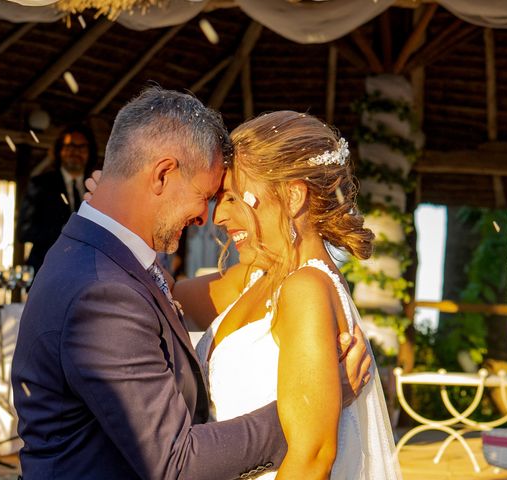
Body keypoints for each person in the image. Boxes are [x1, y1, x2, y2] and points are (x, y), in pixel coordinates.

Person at [12, 88, 370, 479]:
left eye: (230, 198)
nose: (208, 217)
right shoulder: (102, 289)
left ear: (292, 196)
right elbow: (176, 462)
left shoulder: (102, 265)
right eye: (208, 196)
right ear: (163, 174)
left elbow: (169, 296)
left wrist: (115, 213)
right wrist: (314, 405)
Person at [171, 111, 401, 479]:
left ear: (293, 196)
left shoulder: (305, 290)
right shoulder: (253, 278)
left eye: (232, 197)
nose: (219, 216)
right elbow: (160, 295)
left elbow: (312, 458)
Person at [16, 123, 99, 275]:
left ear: (90, 152)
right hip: (47, 270)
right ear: (60, 150)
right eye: (70, 146)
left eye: (82, 147)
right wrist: (63, 229)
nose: (75, 152)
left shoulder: (97, 186)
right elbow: (24, 231)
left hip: (87, 272)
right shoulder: (41, 184)